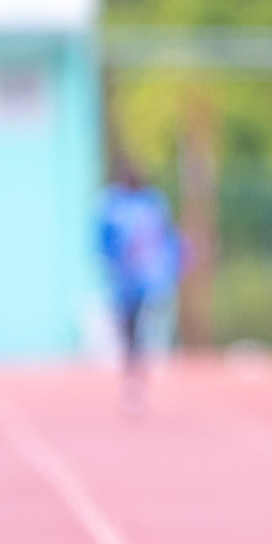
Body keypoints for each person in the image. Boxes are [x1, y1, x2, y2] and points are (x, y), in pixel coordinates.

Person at [98, 163, 185, 415]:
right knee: (130, 329)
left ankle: (137, 372)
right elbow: (104, 242)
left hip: (149, 280)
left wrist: (172, 263)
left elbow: (166, 236)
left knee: (140, 328)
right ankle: (134, 373)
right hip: (128, 281)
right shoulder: (114, 206)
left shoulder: (151, 205)